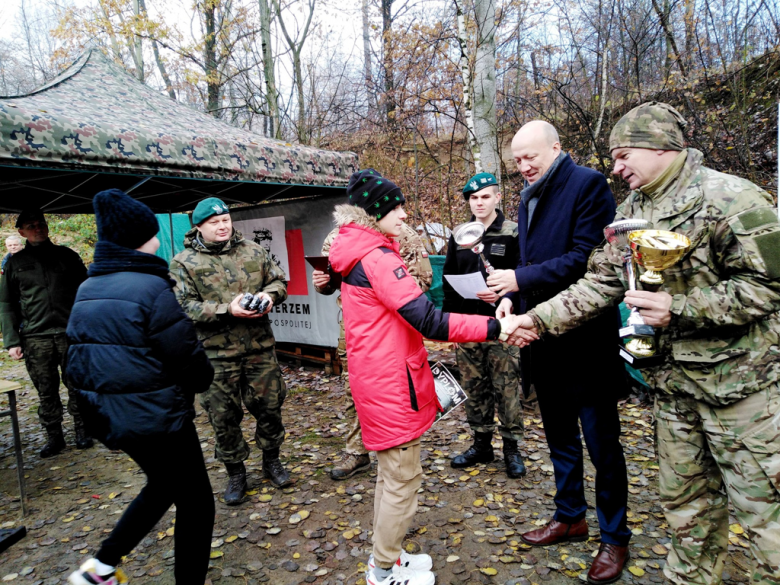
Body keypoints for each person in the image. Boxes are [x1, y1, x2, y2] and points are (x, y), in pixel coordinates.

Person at [508, 102, 780, 585]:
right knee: (686, 509)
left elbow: (771, 284)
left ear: (661, 148)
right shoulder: (634, 211)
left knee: (766, 518)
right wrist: (537, 319)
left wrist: (683, 308)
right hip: (674, 392)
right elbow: (599, 283)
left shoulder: (733, 198)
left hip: (743, 394)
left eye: (623, 155)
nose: (616, 168)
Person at [327, 168, 536, 585]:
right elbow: (429, 320)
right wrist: (498, 328)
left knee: (393, 476)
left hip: (380, 376)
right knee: (401, 480)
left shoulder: (359, 250)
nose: (404, 215)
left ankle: (389, 556)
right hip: (390, 383)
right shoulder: (376, 256)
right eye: (397, 207)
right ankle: (383, 570)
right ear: (375, 211)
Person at [487, 120, 631, 584]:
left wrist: (520, 280)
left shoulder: (588, 184)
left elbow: (585, 260)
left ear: (556, 148)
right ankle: (570, 515)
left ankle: (615, 537)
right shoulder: (528, 196)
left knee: (602, 445)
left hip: (587, 342)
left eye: (531, 157)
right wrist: (514, 296)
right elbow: (530, 264)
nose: (523, 167)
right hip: (543, 341)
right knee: (559, 438)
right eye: (517, 161)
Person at [66, 189, 215, 585]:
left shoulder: (87, 288)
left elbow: (77, 361)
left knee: (163, 484)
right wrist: (202, 379)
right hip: (159, 418)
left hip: (114, 417)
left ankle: (100, 568)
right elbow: (188, 359)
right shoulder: (151, 289)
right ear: (141, 239)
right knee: (197, 503)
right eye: (153, 234)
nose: (158, 241)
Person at [171, 197, 291, 504]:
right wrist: (227, 309)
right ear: (198, 227)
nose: (222, 226)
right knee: (223, 418)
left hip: (259, 349)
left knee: (270, 408)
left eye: (225, 219)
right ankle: (236, 473)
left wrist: (268, 297)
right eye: (214, 223)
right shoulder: (183, 262)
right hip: (215, 356)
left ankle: (271, 460)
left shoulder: (253, 250)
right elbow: (182, 307)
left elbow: (278, 281)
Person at [313, 180, 433, 481]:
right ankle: (357, 450)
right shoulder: (337, 238)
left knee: (395, 387)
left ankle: (399, 447)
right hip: (354, 326)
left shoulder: (404, 235)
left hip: (397, 325)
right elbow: (332, 282)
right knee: (355, 386)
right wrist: (324, 284)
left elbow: (424, 279)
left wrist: (390, 295)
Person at [442, 172, 525, 478]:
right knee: (474, 385)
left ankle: (512, 448)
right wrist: (448, 322)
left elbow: (525, 273)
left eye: (485, 196)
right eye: (473, 198)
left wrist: (508, 294)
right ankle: (481, 443)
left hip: (502, 322)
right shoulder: (460, 234)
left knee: (506, 387)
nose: (479, 202)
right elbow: (449, 279)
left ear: (497, 197)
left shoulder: (513, 232)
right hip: (467, 323)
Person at [0, 209, 92, 457]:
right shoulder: (15, 263)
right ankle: (54, 437)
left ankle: (83, 431)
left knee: (77, 385)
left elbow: (86, 293)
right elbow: (6, 303)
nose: (37, 228)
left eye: (40, 224)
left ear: (47, 227)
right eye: (31, 226)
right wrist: (12, 341)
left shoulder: (67, 256)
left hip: (69, 333)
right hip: (35, 337)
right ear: (21, 232)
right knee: (46, 389)